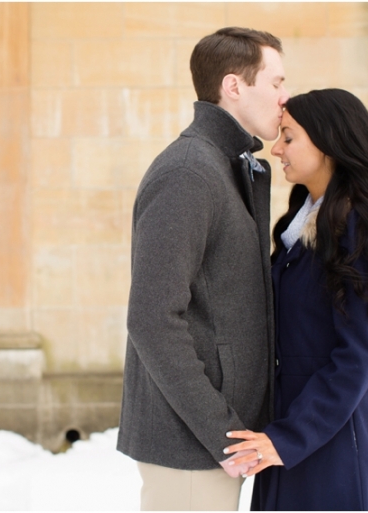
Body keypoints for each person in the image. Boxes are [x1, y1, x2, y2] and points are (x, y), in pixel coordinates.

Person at [222, 88, 368, 510]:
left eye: (289, 137)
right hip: (289, 433)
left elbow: (358, 356)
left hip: (327, 441)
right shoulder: (303, 222)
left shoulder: (360, 225)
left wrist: (289, 438)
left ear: (329, 143)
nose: (276, 149)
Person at [116, 27, 289, 510]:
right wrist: (224, 434)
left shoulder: (226, 165)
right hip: (191, 443)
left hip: (213, 443)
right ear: (234, 86)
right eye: (275, 82)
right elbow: (152, 318)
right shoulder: (189, 172)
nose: (284, 96)